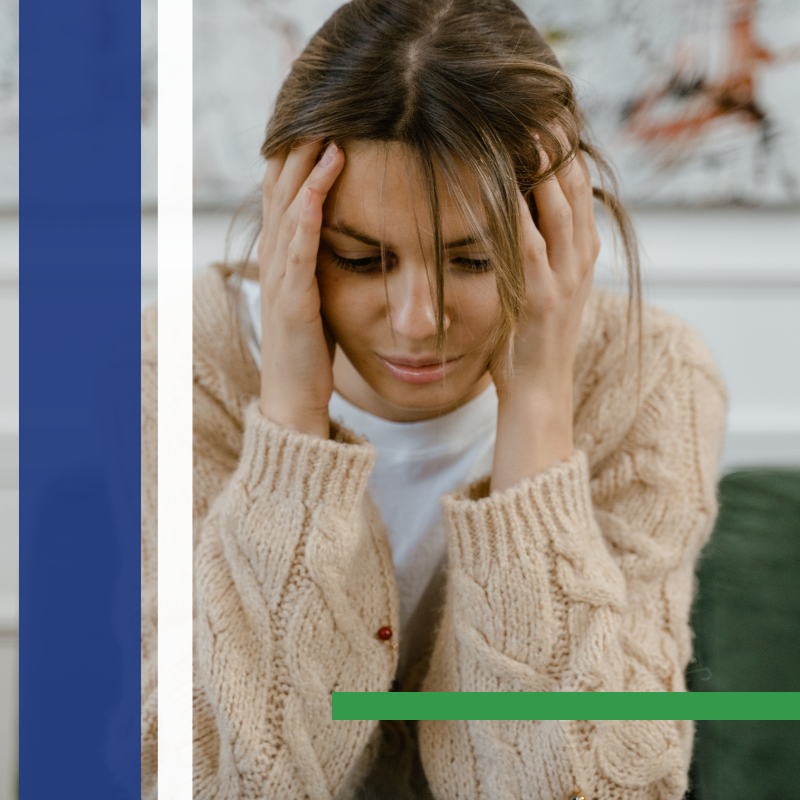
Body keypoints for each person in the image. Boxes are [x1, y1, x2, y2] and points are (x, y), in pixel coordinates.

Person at [141, 0, 728, 797]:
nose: (420, 323)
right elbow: (217, 782)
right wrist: (288, 423)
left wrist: (539, 422)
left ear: (559, 232)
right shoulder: (176, 371)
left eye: (475, 261)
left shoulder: (650, 378)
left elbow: (606, 786)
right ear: (294, 231)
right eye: (360, 259)